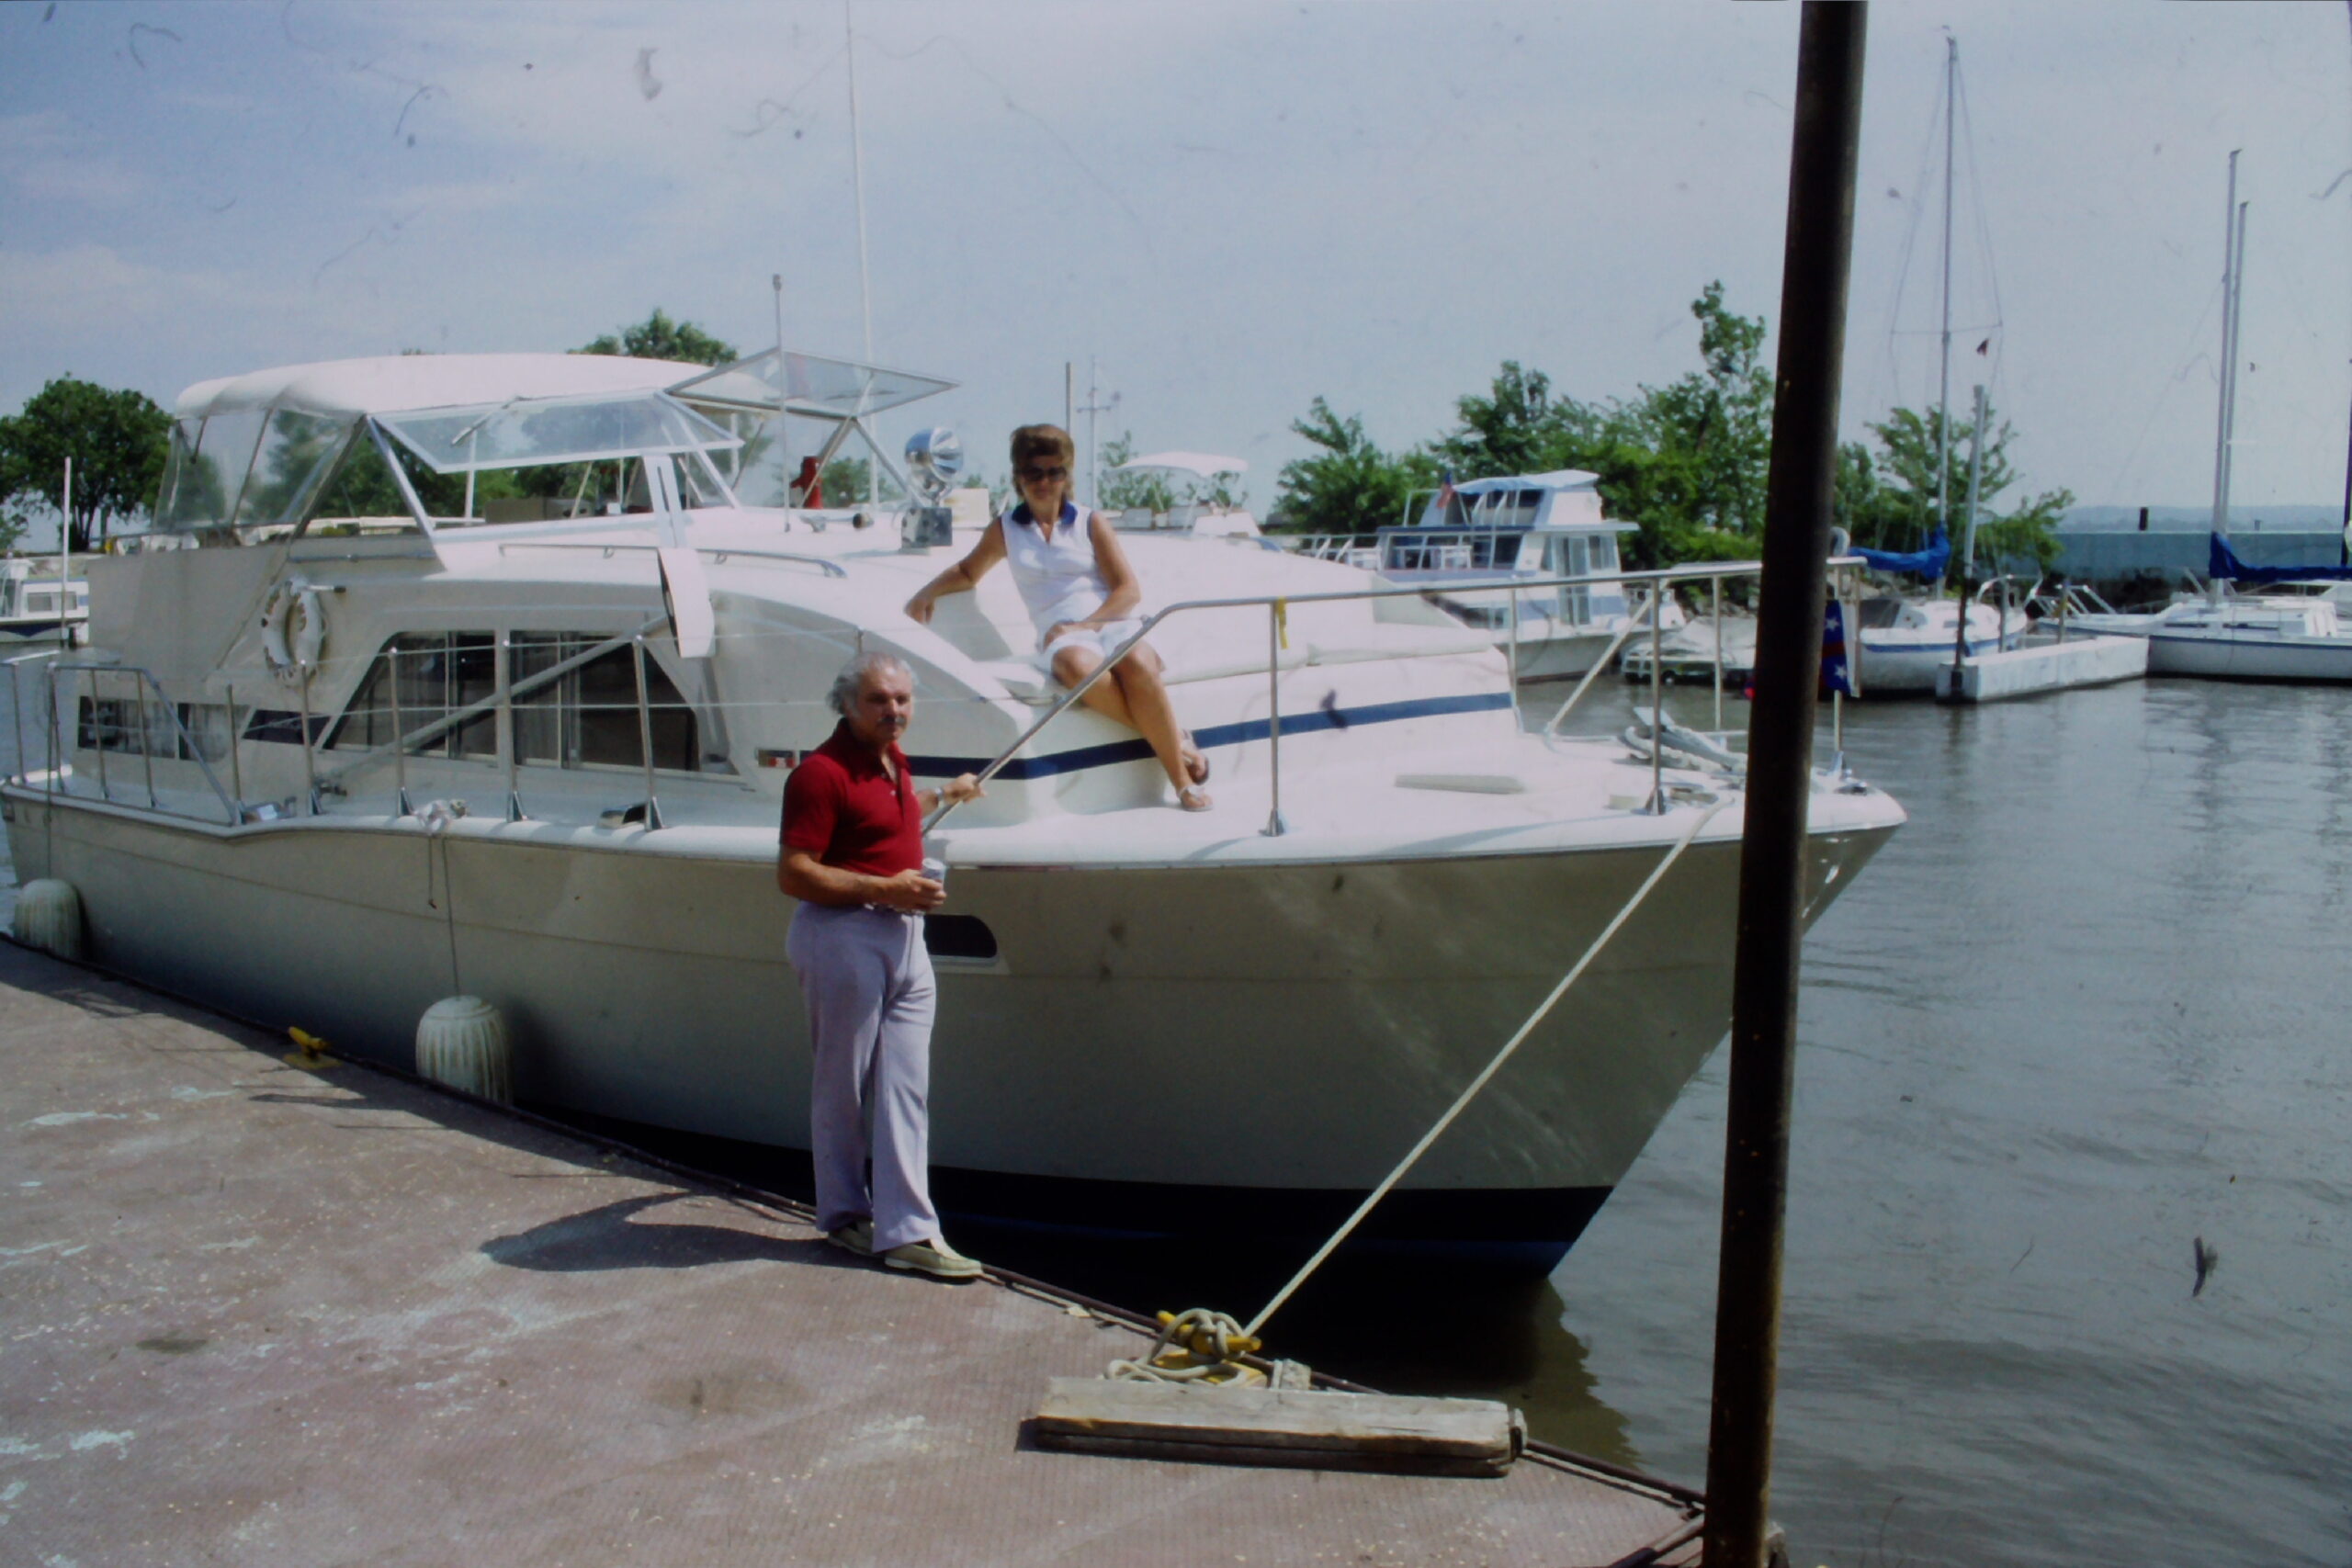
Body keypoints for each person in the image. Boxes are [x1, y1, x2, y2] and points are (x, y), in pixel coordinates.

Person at [776, 650, 985, 1281]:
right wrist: (885, 888)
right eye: (878, 700)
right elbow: (794, 872)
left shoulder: (894, 760)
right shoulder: (819, 774)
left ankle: (907, 1230)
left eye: (902, 699)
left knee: (906, 1086)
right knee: (841, 1084)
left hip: (904, 936)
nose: (893, 710)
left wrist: (946, 793)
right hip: (841, 935)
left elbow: (886, 816)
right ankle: (845, 1215)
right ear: (846, 705)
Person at [904, 423, 1213, 810]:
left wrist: (1086, 624)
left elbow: (1128, 590)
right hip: (1061, 635)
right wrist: (926, 592)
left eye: (1055, 472)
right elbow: (968, 572)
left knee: (1136, 660)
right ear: (1019, 477)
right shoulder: (1006, 529)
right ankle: (1177, 740)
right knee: (1075, 665)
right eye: (1034, 472)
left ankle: (1181, 782)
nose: (1045, 482)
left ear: (1066, 476)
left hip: (1112, 620)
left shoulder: (1089, 521)